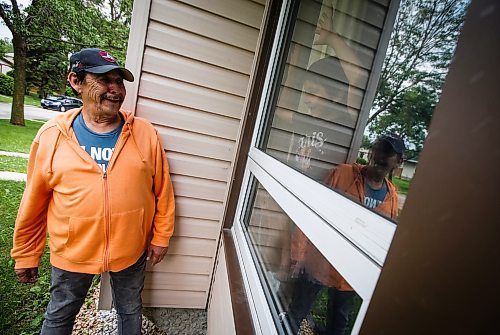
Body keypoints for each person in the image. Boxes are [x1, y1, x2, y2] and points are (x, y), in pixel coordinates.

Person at [10, 48, 175, 335]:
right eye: (104, 80)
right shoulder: (52, 136)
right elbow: (34, 201)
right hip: (72, 251)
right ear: (76, 81)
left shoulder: (145, 133)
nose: (115, 90)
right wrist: (26, 253)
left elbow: (163, 190)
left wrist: (161, 235)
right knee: (60, 314)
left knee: (130, 310)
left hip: (131, 248)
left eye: (119, 82)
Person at [287, 134, 405, 334]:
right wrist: (297, 255)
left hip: (350, 276)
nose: (380, 156)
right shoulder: (342, 174)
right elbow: (311, 213)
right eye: (377, 149)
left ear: (399, 161)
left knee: (339, 326)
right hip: (319, 265)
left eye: (388, 153)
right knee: (295, 315)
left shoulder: (392, 197)